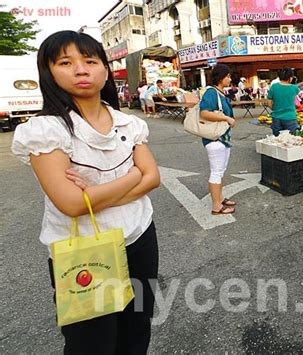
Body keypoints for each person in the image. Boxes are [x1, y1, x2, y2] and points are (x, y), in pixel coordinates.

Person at [10, 30, 160, 353]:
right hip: (82, 253)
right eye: (66, 62)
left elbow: (153, 178)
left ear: (105, 70)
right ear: (48, 72)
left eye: (90, 61)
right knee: (92, 343)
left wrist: (95, 192)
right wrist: (132, 175)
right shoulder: (45, 130)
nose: (81, 69)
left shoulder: (128, 123)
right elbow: (72, 204)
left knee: (138, 329)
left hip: (139, 239)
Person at [200, 64, 237, 215]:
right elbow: (204, 113)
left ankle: (220, 198)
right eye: (227, 76)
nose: (230, 79)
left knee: (221, 171)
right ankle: (216, 206)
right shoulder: (211, 92)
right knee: (216, 172)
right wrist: (227, 117)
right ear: (220, 78)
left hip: (223, 139)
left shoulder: (220, 93)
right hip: (214, 139)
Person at [267, 67, 300, 136]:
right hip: (290, 117)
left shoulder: (274, 87)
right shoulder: (295, 88)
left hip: (276, 117)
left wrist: (276, 109)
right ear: (290, 78)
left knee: (277, 140)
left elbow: (269, 103)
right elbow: (298, 101)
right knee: (290, 141)